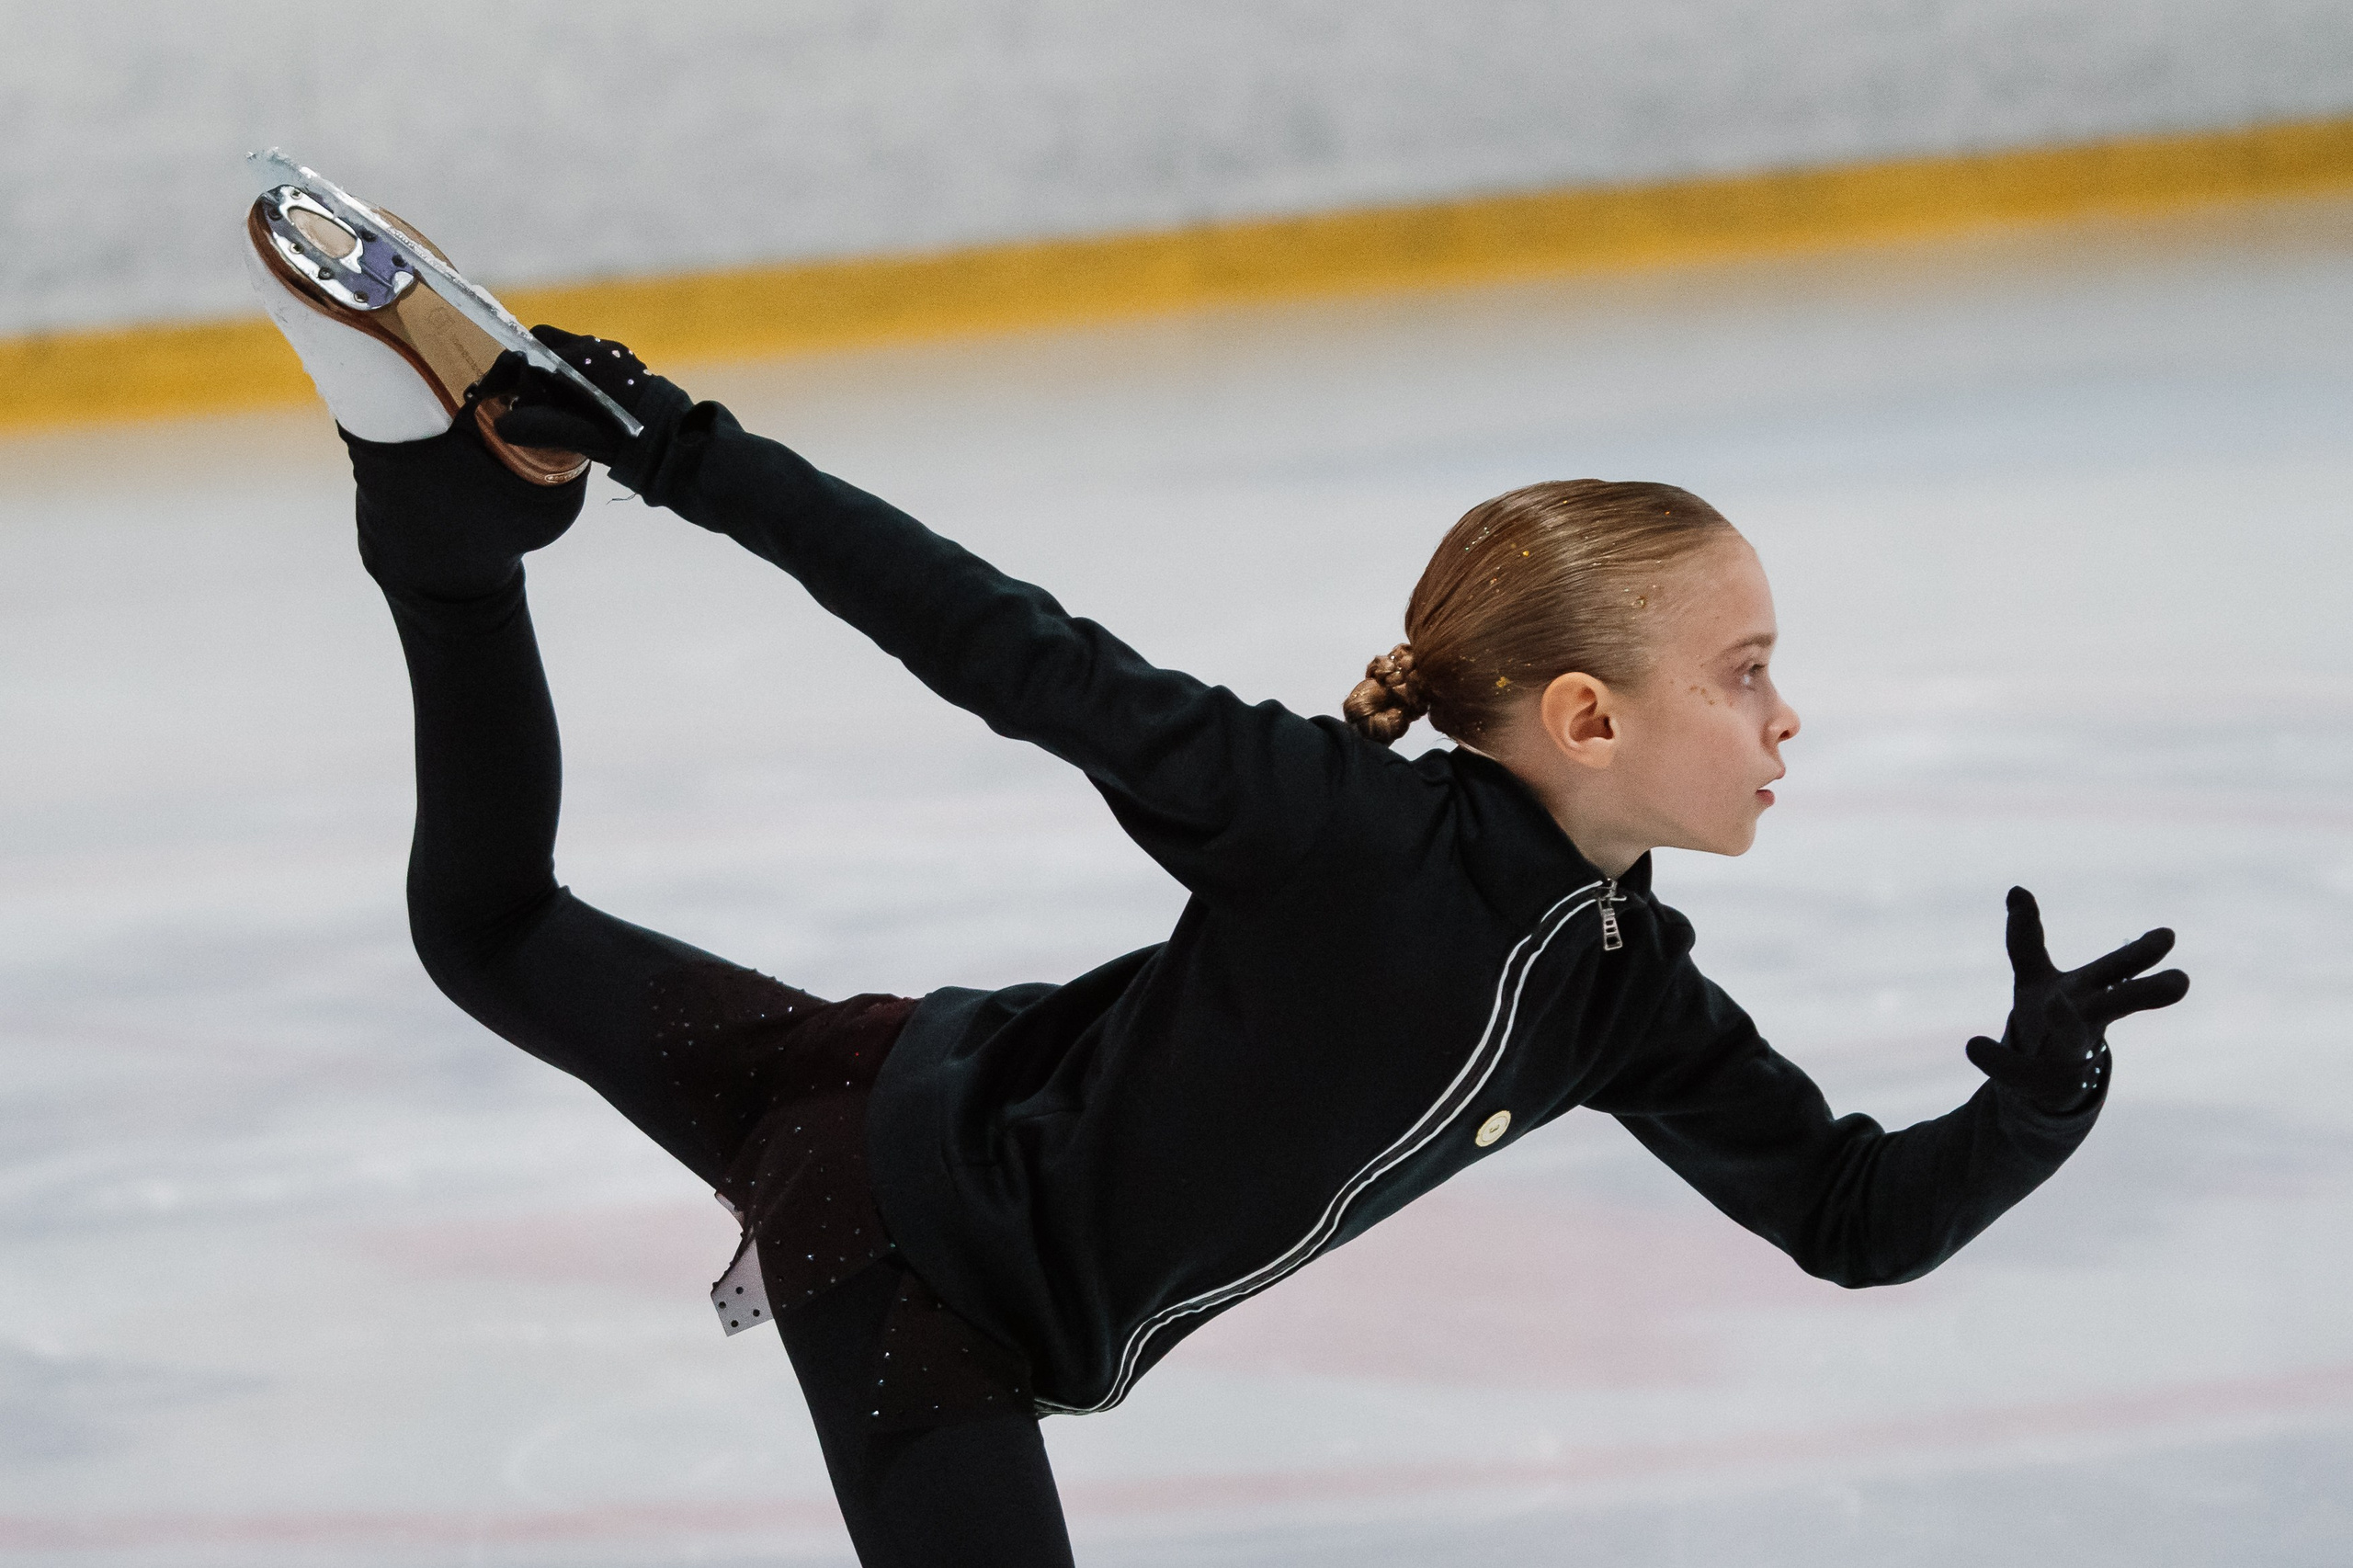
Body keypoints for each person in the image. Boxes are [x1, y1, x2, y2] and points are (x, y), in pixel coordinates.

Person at [247, 198, 2189, 1567]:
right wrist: (680, 447)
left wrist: (2028, 1102)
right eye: (1745, 673)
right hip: (922, 1257)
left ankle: (433, 523)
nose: (1786, 719)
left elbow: (1848, 1213)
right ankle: (446, 523)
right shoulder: (1337, 828)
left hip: (900, 1075)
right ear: (1584, 716)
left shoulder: (1619, 988)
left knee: (487, 925)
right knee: (491, 932)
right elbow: (996, 641)